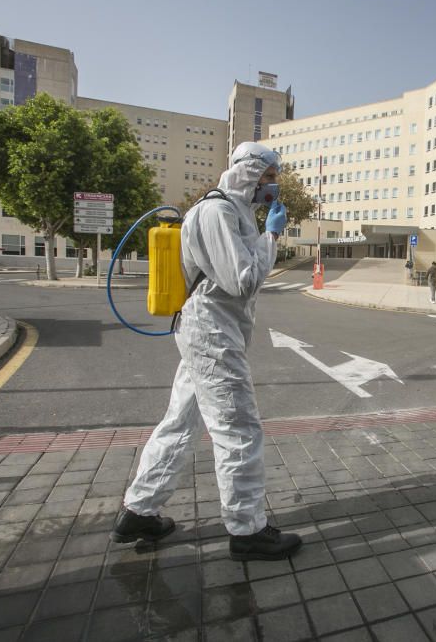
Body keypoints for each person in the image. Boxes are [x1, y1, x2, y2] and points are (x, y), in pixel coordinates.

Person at [111, 142, 302, 561]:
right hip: (211, 336)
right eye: (269, 178)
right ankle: (247, 529)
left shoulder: (235, 214)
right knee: (239, 427)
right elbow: (243, 280)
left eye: (274, 179)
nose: (273, 187)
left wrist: (262, 232)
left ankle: (139, 511)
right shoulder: (216, 212)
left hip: (212, 333)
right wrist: (272, 235)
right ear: (249, 173)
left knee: (180, 423)